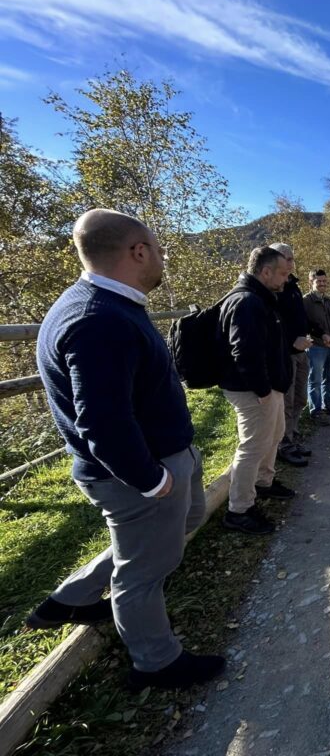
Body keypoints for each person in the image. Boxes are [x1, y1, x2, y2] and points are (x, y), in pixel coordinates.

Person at [31, 208, 225, 690]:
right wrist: (152, 479)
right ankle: (156, 662)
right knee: (142, 572)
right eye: (158, 249)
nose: (161, 258)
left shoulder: (100, 304)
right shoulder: (99, 320)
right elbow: (102, 421)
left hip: (162, 459)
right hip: (140, 473)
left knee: (177, 525)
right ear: (138, 251)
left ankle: (73, 596)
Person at [218, 246, 295, 536]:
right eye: (283, 273)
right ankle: (239, 510)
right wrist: (263, 390)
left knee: (272, 437)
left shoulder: (260, 298)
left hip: (266, 387)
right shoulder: (247, 302)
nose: (286, 279)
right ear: (265, 272)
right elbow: (244, 353)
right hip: (253, 390)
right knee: (251, 447)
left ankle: (264, 483)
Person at [269, 243, 313, 466]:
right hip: (284, 354)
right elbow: (272, 325)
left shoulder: (293, 285)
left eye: (292, 258)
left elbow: (300, 317)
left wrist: (317, 334)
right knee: (285, 402)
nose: (290, 262)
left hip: (301, 351)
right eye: (285, 258)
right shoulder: (272, 288)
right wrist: (290, 340)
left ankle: (293, 435)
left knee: (300, 398)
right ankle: (283, 444)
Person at [303, 269, 330, 422]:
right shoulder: (305, 301)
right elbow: (305, 324)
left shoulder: (329, 300)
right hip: (316, 347)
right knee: (315, 379)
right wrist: (320, 336)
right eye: (319, 281)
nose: (322, 284)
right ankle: (316, 411)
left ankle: (329, 406)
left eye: (324, 281)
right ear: (311, 282)